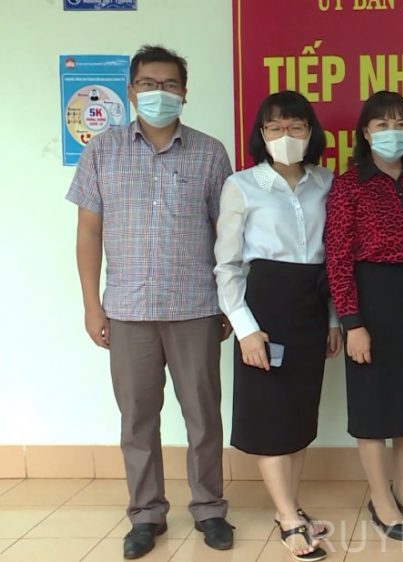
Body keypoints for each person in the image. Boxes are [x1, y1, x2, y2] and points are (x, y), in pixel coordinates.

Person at [66, 45, 234, 560]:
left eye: (170, 85)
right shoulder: (103, 151)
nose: (159, 93)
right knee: (137, 418)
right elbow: (88, 232)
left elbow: (226, 235)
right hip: (128, 310)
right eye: (148, 84)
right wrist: (92, 305)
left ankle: (209, 507)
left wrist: (230, 303)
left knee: (203, 416)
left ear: (184, 92)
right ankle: (146, 513)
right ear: (132, 90)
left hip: (195, 307)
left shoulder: (210, 152)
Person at [214, 91, 341, 561]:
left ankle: (292, 504)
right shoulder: (242, 186)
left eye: (296, 126)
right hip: (264, 305)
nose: (286, 135)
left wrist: (333, 319)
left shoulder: (327, 182)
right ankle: (287, 517)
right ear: (261, 134)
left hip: (312, 304)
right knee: (270, 413)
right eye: (275, 127)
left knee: (300, 413)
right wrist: (245, 328)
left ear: (311, 132)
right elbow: (227, 266)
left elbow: (334, 258)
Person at [324, 91, 403, 542]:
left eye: (400, 124)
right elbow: (337, 259)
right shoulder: (349, 185)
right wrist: (352, 323)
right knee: (374, 407)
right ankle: (381, 500)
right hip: (370, 302)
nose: (392, 132)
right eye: (381, 124)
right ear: (365, 133)